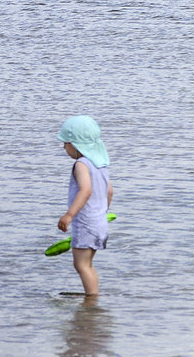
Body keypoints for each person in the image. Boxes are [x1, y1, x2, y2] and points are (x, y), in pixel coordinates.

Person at [56, 115, 114, 295]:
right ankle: (93, 296)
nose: (64, 147)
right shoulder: (100, 164)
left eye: (65, 143)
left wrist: (69, 215)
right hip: (99, 222)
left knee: (81, 265)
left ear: (75, 145)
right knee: (88, 264)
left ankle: (91, 300)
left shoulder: (81, 164)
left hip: (86, 223)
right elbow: (109, 191)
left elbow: (86, 190)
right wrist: (102, 213)